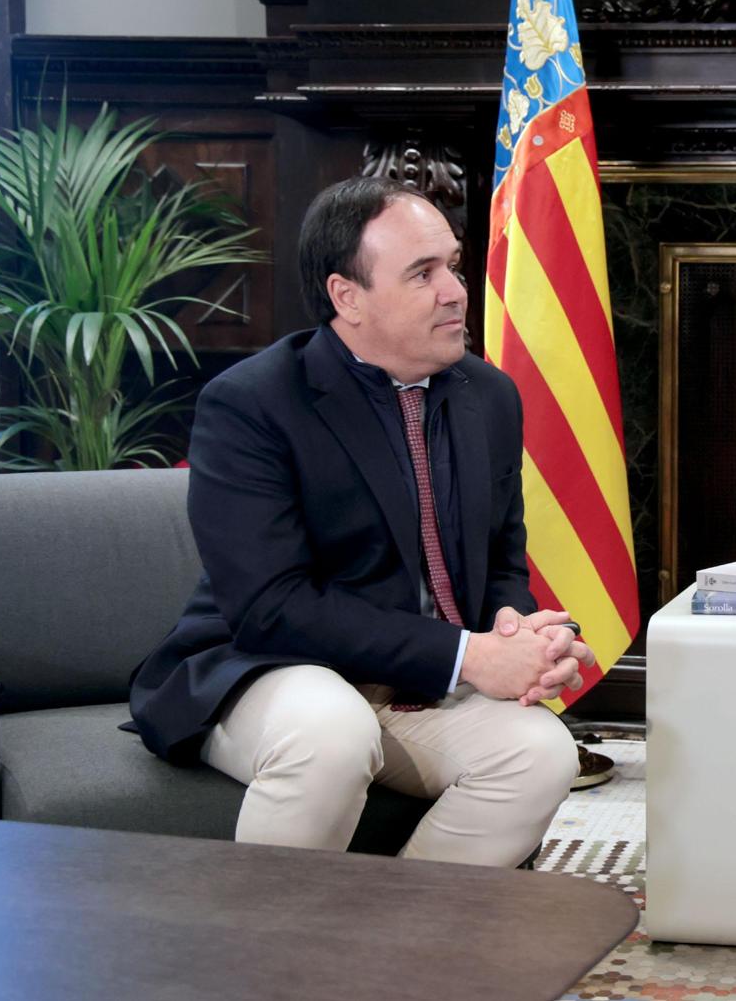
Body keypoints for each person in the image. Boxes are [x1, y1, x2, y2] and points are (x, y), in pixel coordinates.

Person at [129, 176, 590, 867]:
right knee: (331, 732)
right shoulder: (253, 404)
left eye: (453, 265)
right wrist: (469, 657)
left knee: (541, 753)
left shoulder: (488, 396)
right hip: (266, 667)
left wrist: (522, 637)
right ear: (347, 296)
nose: (456, 291)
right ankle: (263, 969)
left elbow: (501, 561)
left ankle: (396, 959)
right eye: (422, 273)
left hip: (416, 682)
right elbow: (269, 607)